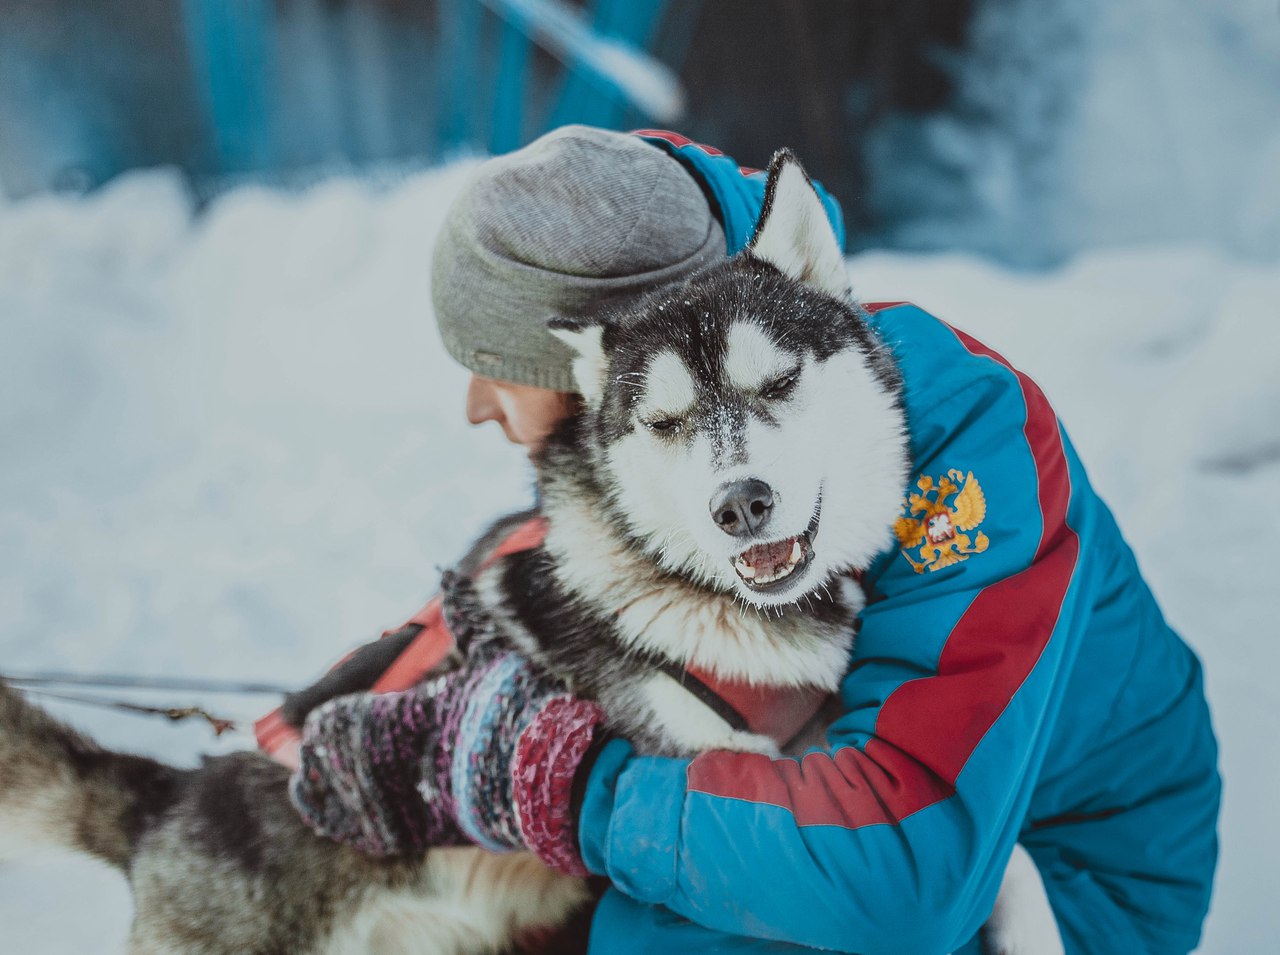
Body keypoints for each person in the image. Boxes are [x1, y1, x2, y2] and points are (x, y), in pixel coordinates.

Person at [264, 126, 1221, 954]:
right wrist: (305, 729)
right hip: (866, 840)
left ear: (604, 347)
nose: (477, 404)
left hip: (1068, 878)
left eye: (494, 365)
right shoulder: (667, 394)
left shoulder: (961, 441)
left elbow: (908, 876)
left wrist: (565, 783)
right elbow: (549, 562)